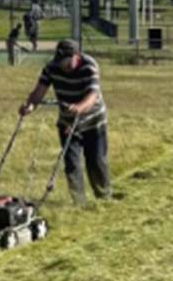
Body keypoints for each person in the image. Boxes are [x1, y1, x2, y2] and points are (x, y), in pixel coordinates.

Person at [19, 39, 111, 204]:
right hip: (68, 123)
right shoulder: (50, 68)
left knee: (96, 162)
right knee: (72, 164)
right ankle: (79, 201)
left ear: (76, 56)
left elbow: (92, 96)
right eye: (61, 62)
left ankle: (104, 197)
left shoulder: (89, 65)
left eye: (67, 63)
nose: (63, 66)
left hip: (93, 120)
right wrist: (30, 106)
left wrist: (80, 107)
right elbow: (38, 92)